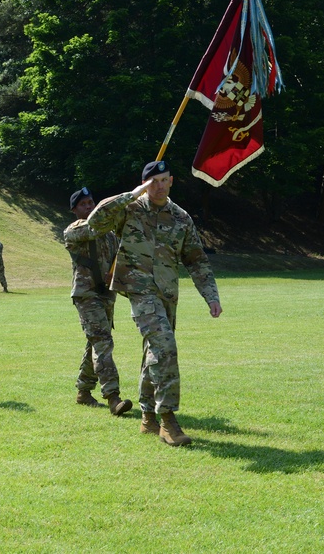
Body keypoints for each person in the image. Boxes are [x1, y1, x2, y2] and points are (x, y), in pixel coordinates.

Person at [86, 160, 222, 446]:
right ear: (145, 184)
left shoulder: (181, 218)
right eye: (152, 182)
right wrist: (131, 194)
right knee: (165, 347)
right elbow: (95, 222)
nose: (158, 187)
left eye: (163, 180)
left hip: (167, 294)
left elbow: (196, 260)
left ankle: (147, 416)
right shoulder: (129, 210)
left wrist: (211, 296)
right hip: (139, 291)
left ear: (171, 181)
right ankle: (168, 420)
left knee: (155, 352)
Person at [64, 187, 132, 416]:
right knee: (103, 341)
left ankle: (83, 391)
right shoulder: (74, 231)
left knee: (95, 343)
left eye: (91, 202)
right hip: (86, 294)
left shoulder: (110, 235)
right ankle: (113, 397)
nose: (89, 207)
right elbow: (92, 228)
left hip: (106, 294)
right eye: (83, 204)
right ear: (74, 210)